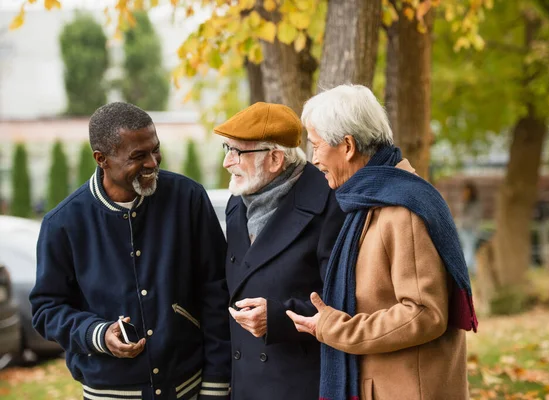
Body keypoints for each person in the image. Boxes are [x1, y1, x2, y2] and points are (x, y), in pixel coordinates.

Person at [286, 85, 478, 400]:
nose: (314, 159)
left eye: (316, 146)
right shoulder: (371, 199)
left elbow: (423, 313)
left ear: (347, 146)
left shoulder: (402, 210)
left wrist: (336, 328)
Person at [30, 102, 231, 400]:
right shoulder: (63, 223)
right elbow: (47, 310)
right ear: (102, 159)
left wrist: (216, 385)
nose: (152, 162)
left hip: (188, 385)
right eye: (138, 156)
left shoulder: (189, 199)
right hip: (109, 391)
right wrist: (97, 334)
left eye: (155, 149)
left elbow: (217, 293)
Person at [213, 102, 345, 400]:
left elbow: (346, 300)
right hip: (245, 381)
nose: (227, 162)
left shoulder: (329, 204)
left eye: (237, 152)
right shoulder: (239, 201)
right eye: (226, 149)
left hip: (297, 381)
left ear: (274, 159)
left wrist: (279, 317)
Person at [457, 181, 482, 274]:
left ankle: (467, 270)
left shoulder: (476, 203)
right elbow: (460, 214)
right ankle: (474, 271)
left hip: (472, 230)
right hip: (463, 229)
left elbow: (474, 217)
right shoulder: (464, 202)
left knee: (469, 249)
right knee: (469, 249)